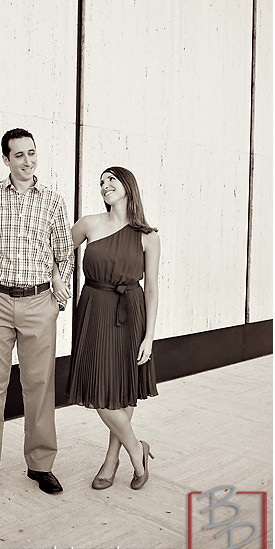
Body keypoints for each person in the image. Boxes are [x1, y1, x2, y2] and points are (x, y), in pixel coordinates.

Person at [0, 128, 74, 499]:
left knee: (40, 386)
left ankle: (41, 465)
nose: (28, 161)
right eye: (19, 155)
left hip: (38, 303)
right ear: (6, 160)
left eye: (32, 153)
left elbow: (65, 253)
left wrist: (57, 299)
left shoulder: (53, 202)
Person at [64, 166, 159, 490]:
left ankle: (110, 460)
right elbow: (57, 251)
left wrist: (149, 336)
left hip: (131, 311)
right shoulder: (89, 223)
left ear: (128, 186)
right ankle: (137, 449)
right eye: (101, 182)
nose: (104, 186)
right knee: (99, 390)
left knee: (123, 388)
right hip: (94, 309)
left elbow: (154, 288)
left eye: (111, 180)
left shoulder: (148, 236)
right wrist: (56, 278)